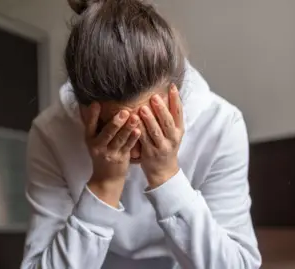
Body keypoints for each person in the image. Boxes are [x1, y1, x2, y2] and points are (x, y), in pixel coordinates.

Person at [20, 0, 262, 268]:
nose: (135, 150)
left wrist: (166, 176)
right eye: (117, 130)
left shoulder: (220, 125)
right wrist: (104, 184)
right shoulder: (50, 134)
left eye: (152, 125)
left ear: (176, 95)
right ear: (83, 110)